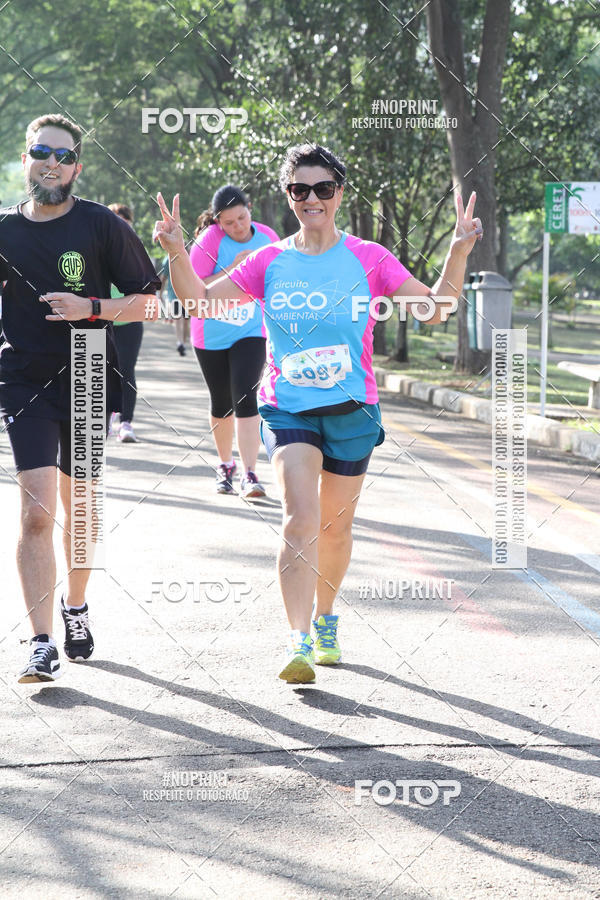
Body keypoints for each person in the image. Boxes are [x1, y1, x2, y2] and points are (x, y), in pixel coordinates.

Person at [55, 143, 482, 685]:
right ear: (288, 196)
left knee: (335, 528)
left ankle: (327, 619)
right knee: (300, 520)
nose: (312, 199)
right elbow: (199, 302)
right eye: (300, 189)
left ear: (339, 194)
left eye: (322, 188)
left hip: (354, 409)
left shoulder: (369, 257)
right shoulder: (269, 260)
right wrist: (176, 251)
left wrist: (458, 252)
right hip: (289, 408)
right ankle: (298, 638)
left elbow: (434, 309)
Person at [0, 114, 161, 682]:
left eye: (64, 155)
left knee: (82, 509)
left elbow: (148, 303)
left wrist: (90, 308)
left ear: (77, 167)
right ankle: (41, 641)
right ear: (25, 159)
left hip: (90, 371)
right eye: (41, 151)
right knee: (36, 509)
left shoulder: (100, 226)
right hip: (22, 376)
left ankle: (77, 607)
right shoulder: (5, 230)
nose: (52, 162)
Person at [189, 185, 278, 497]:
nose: (238, 226)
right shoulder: (208, 241)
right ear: (217, 222)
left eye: (241, 217)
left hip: (251, 330)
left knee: (246, 395)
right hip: (210, 332)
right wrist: (234, 267)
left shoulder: (268, 237)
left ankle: (250, 473)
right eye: (229, 222)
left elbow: (279, 280)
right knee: (221, 402)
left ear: (249, 208)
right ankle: (225, 464)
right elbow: (194, 289)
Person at [106, 202, 145, 443]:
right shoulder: (96, 246)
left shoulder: (136, 249)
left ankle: (126, 422)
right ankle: (106, 417)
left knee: (125, 370)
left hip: (130, 320)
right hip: (101, 318)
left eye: (124, 221)